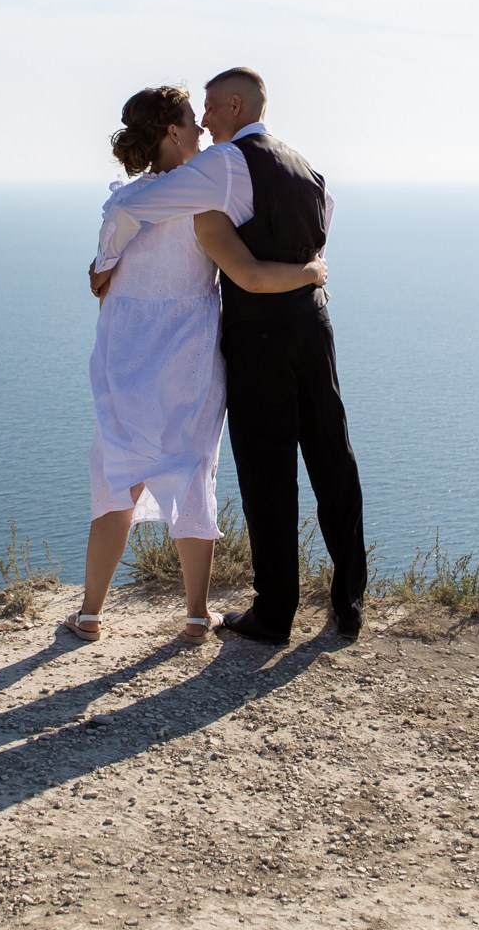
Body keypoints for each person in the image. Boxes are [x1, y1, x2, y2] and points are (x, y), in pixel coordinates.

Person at [89, 67, 368, 644]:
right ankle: (348, 601)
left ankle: (273, 614)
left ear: (236, 105)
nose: (207, 120)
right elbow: (320, 228)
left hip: (256, 336)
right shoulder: (306, 166)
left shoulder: (215, 168)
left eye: (211, 108)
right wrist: (310, 272)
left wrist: (103, 265)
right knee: (332, 457)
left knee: (268, 474)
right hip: (311, 327)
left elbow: (142, 205)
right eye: (199, 113)